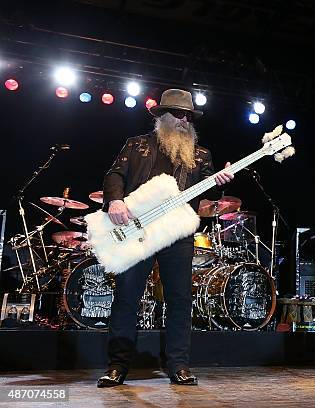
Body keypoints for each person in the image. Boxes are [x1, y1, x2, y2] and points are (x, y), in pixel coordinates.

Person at [97, 89, 234, 387]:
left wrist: (220, 183)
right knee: (126, 298)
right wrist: (115, 201)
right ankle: (117, 366)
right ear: (162, 116)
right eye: (178, 114)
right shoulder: (136, 146)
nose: (184, 120)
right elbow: (114, 175)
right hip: (138, 232)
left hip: (176, 234)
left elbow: (208, 195)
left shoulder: (201, 155)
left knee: (180, 299)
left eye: (189, 116)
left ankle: (179, 365)